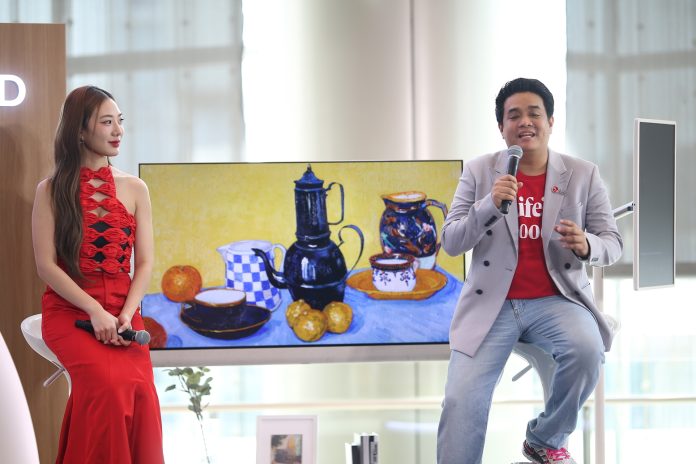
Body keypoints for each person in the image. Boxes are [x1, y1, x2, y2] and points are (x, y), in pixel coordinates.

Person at [436, 78, 623, 464]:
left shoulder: (583, 174)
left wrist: (587, 244)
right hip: (492, 304)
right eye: (514, 115)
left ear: (550, 121)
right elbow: (451, 241)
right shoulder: (479, 172)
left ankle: (545, 439)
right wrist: (489, 205)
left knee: (588, 351)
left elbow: (613, 243)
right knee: (460, 401)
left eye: (534, 113)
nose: (525, 122)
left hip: (557, 299)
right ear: (501, 127)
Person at [32, 86, 164, 463]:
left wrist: (126, 314)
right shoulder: (50, 191)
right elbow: (46, 266)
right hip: (70, 312)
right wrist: (94, 310)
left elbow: (145, 263)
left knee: (140, 390)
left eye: (119, 121)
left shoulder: (136, 188)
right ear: (79, 130)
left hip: (124, 311)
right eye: (107, 122)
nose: (118, 130)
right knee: (106, 386)